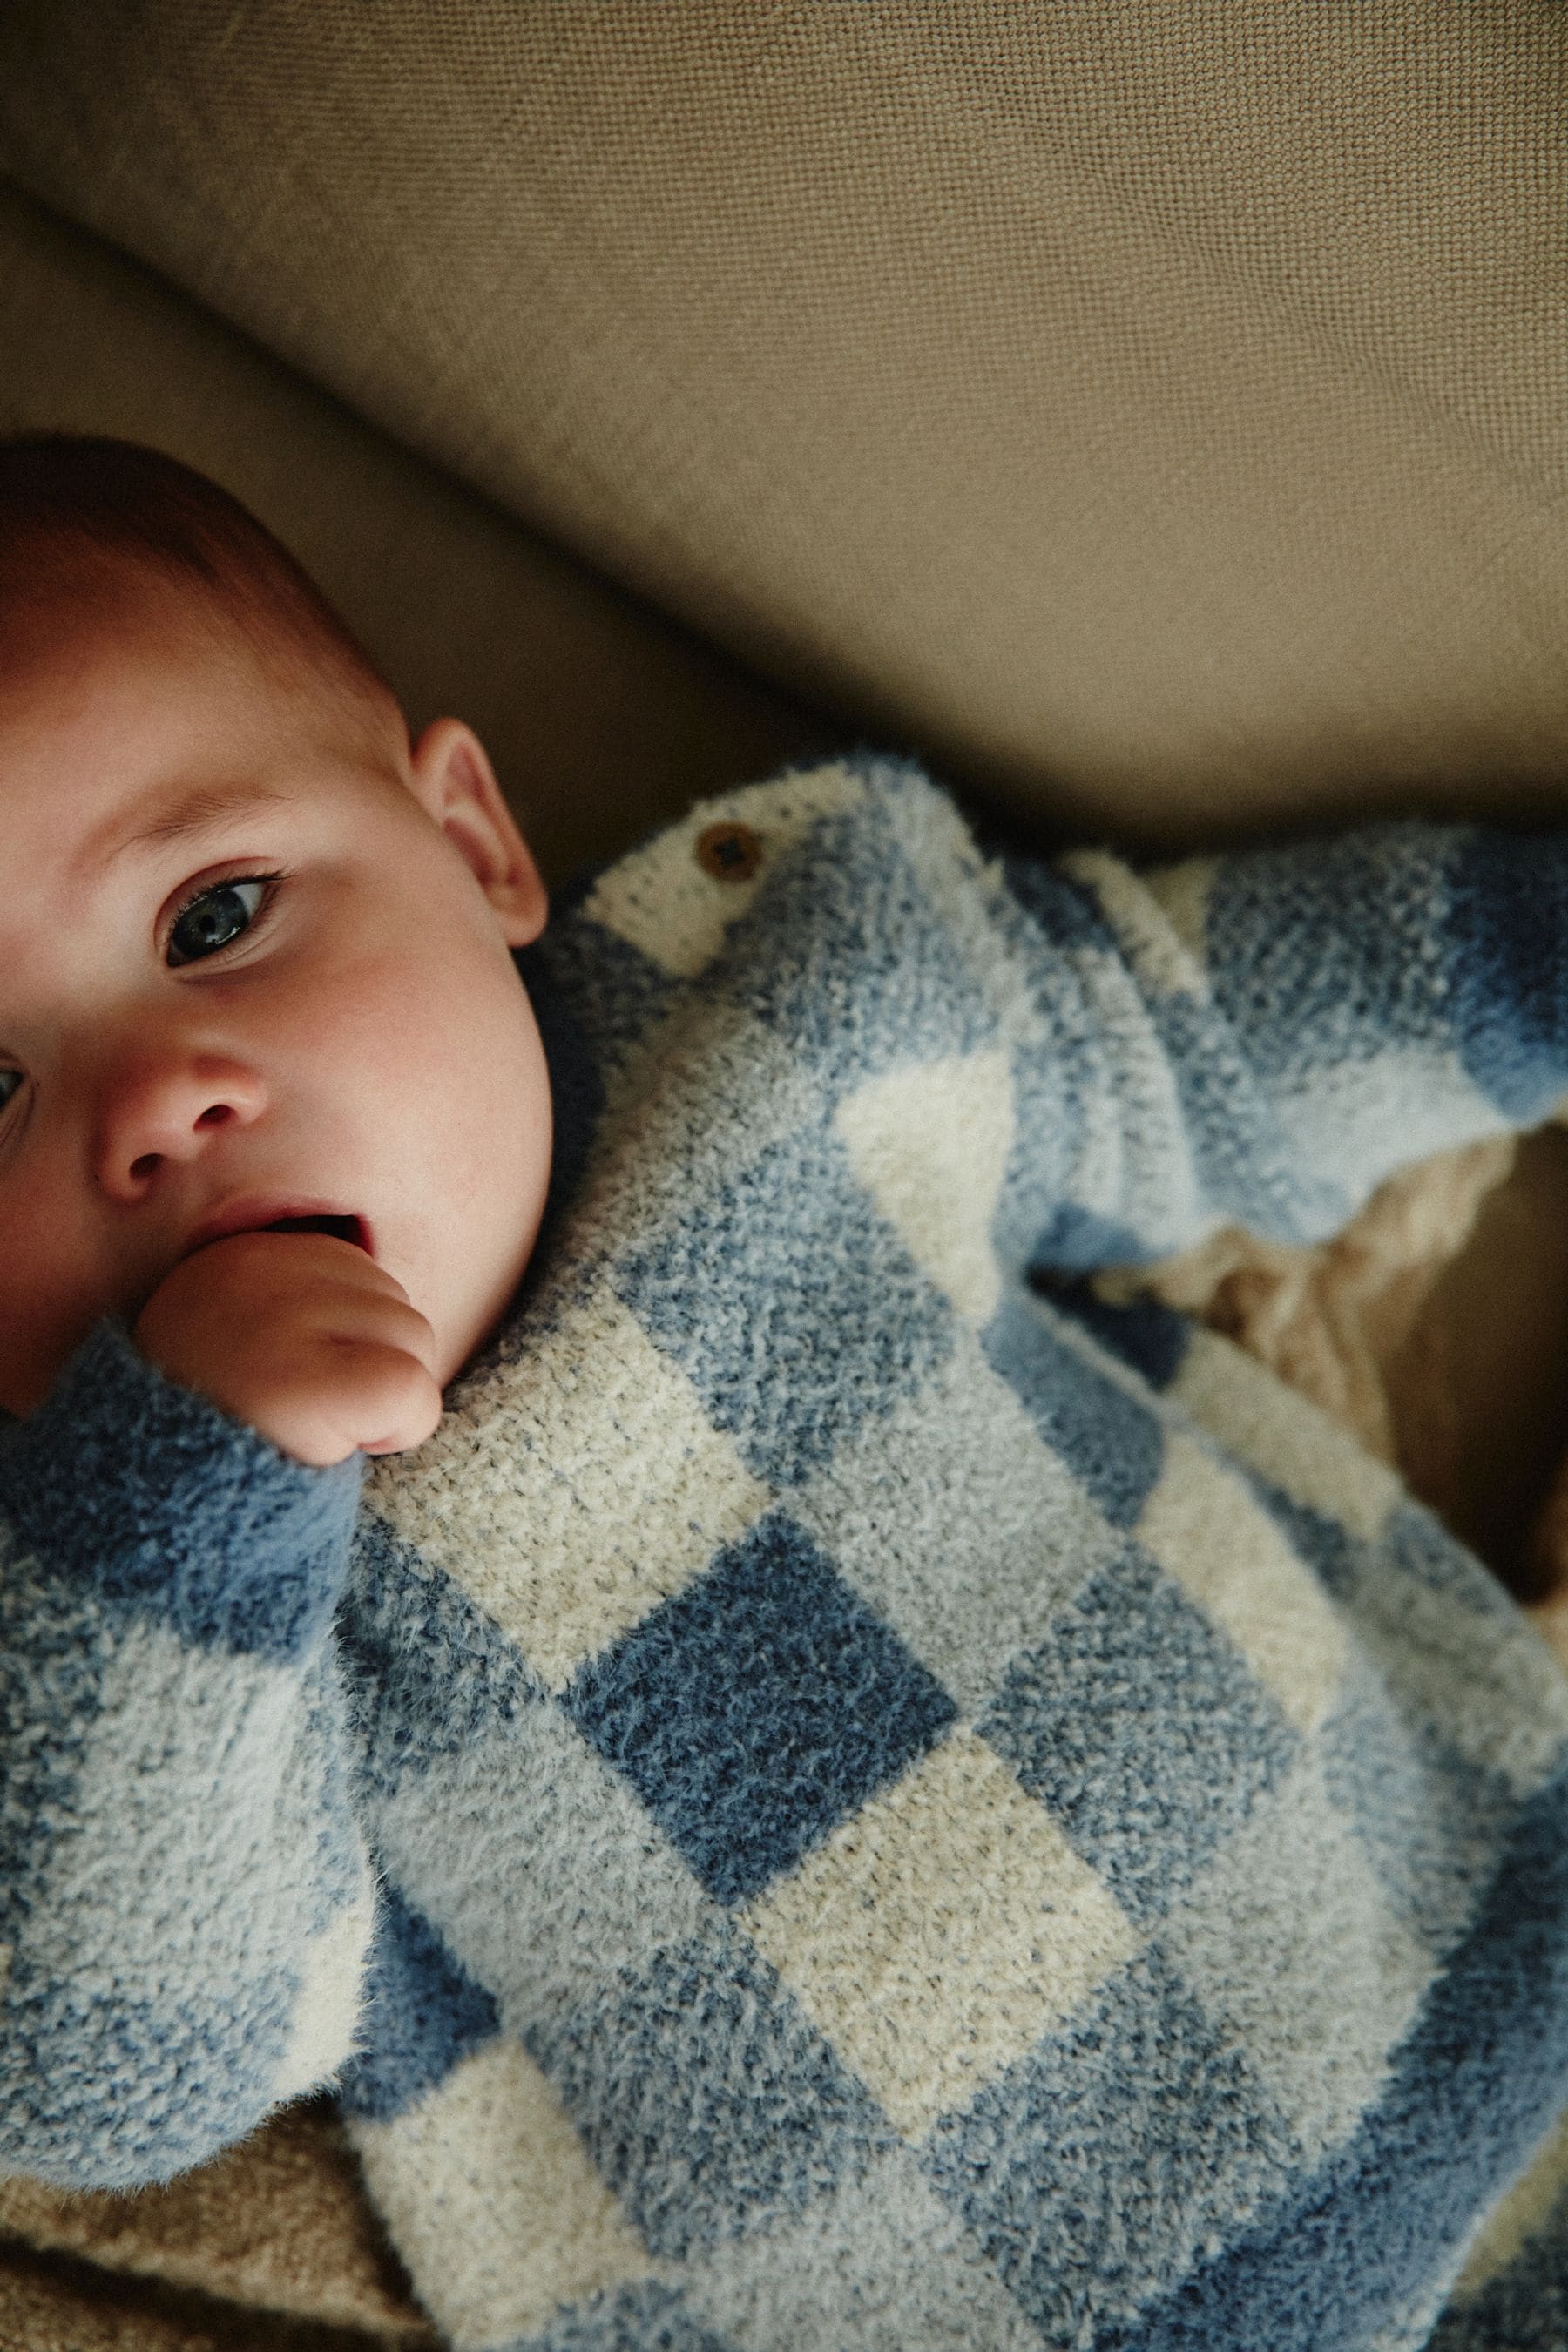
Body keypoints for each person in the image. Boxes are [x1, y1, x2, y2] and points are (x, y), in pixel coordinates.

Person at [3, 434, 1567, 2352]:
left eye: (215, 916)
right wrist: (184, 1498)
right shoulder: (139, 1636)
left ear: (474, 847)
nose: (156, 1107)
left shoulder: (785, 1009)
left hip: (1475, 1968)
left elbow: (1180, 1037)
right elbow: (113, 2065)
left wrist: (1518, 958)